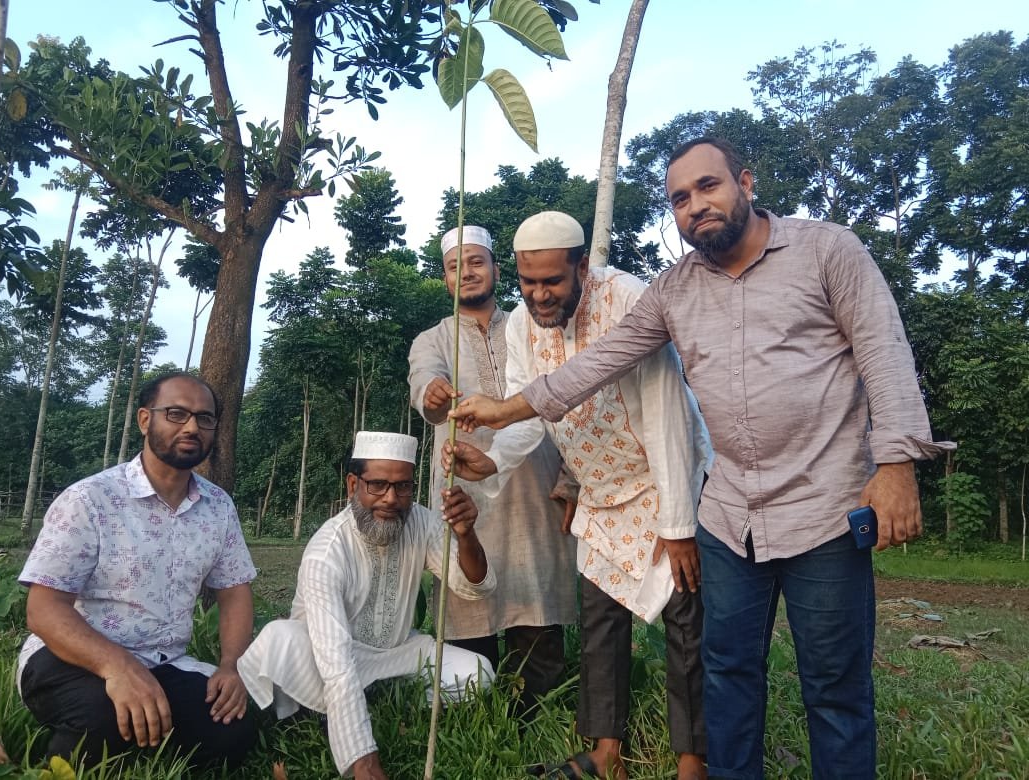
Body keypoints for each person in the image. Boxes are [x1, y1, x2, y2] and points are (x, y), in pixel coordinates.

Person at [450, 139, 956, 779]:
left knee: (833, 682)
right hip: (730, 512)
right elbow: (596, 365)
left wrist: (896, 465)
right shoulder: (674, 289)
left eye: (708, 186)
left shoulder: (828, 250)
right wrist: (504, 414)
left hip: (823, 508)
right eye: (679, 199)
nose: (695, 205)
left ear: (745, 182)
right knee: (728, 670)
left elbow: (883, 352)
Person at [443, 212, 713, 780]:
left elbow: (667, 414)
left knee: (686, 620)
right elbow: (527, 412)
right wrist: (492, 459)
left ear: (583, 267)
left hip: (665, 480)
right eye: (529, 282)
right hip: (599, 489)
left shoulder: (628, 300)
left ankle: (693, 761)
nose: (540, 295)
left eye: (553, 282)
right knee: (600, 620)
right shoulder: (521, 324)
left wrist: (678, 524)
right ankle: (606, 753)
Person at [17, 371, 257, 770]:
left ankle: (147, 726)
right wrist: (117, 667)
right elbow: (43, 610)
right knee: (102, 717)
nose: (192, 427)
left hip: (162, 661)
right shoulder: (90, 499)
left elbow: (234, 592)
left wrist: (232, 666)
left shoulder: (218, 507)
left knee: (233, 727)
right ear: (145, 420)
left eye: (205, 418)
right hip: (70, 656)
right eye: (176, 413)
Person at [237, 431, 495, 780]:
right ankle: (337, 711)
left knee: (479, 672)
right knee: (283, 639)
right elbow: (335, 659)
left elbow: (475, 587)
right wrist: (364, 762)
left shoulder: (420, 522)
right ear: (352, 484)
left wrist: (466, 535)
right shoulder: (327, 549)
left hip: (394, 653)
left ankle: (359, 702)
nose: (391, 498)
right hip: (325, 658)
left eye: (403, 487)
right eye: (377, 485)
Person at [408, 225, 576, 714]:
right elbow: (424, 383)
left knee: (537, 608)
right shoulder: (432, 339)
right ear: (444, 279)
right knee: (469, 609)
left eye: (476, 261)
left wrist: (571, 478)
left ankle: (538, 722)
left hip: (537, 492)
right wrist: (432, 393)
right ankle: (475, 721)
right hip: (467, 498)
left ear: (497, 270)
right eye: (454, 266)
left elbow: (568, 400)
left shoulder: (534, 326)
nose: (466, 272)